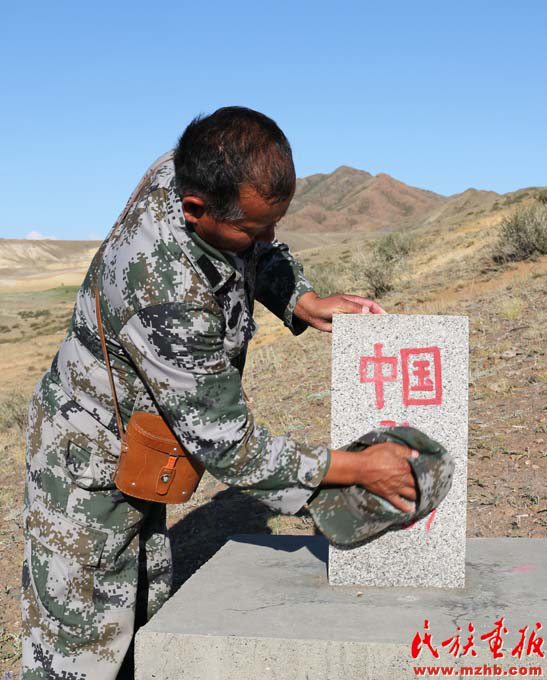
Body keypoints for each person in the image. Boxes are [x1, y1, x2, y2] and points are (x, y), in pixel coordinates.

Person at [20, 107, 448, 679]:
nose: (266, 239)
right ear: (195, 209)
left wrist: (299, 297)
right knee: (83, 641)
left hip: (139, 440)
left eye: (275, 223)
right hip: (86, 459)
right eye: (252, 229)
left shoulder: (190, 168)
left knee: (140, 599)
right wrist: (359, 469)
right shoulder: (167, 291)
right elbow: (229, 444)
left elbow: (249, 247)